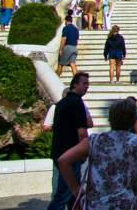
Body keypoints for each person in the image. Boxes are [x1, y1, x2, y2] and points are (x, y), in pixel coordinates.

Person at [57, 99, 137, 210]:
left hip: (97, 204)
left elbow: (63, 160)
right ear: (133, 119)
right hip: (128, 203)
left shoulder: (94, 140)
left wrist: (75, 190)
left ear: (110, 118)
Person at [46, 72, 90, 210]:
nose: (87, 87)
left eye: (87, 84)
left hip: (59, 151)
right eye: (84, 83)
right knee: (65, 193)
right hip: (71, 154)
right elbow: (82, 132)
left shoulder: (61, 103)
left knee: (72, 194)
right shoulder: (77, 103)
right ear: (75, 84)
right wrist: (83, 153)